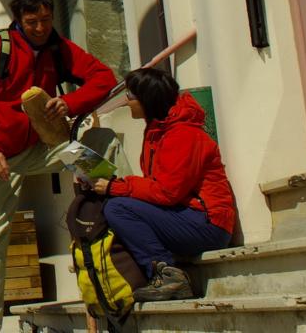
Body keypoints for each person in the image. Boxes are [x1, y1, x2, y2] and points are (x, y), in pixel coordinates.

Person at [0, 0, 118, 333]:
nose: (41, 28)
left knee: (101, 151)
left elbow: (104, 78)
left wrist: (71, 102)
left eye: (46, 20)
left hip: (45, 145)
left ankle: (128, 207)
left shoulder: (58, 48)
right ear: (19, 20)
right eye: (32, 22)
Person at [93, 67, 236, 301]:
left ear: (147, 100)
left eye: (130, 96)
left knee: (118, 207)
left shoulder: (183, 134)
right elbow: (159, 187)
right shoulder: (158, 131)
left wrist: (117, 187)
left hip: (208, 224)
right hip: (188, 215)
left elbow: (167, 192)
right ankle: (157, 272)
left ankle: (169, 276)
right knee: (115, 202)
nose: (126, 102)